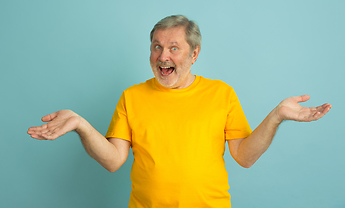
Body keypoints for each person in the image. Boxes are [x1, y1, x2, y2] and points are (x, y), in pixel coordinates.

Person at [27, 15, 331, 208]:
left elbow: (245, 156)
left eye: (174, 48)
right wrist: (81, 124)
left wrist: (276, 116)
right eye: (156, 47)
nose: (163, 56)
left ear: (194, 54)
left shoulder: (221, 93)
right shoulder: (132, 97)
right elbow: (113, 160)